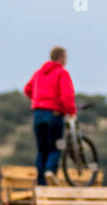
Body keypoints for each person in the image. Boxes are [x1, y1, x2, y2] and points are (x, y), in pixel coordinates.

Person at [23, 46, 77, 185]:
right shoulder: (62, 73)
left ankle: (41, 182)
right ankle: (50, 172)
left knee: (42, 150)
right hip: (54, 115)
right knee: (56, 147)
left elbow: (27, 89)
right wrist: (71, 112)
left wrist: (38, 100)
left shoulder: (39, 73)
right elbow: (67, 96)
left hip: (38, 115)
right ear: (61, 58)